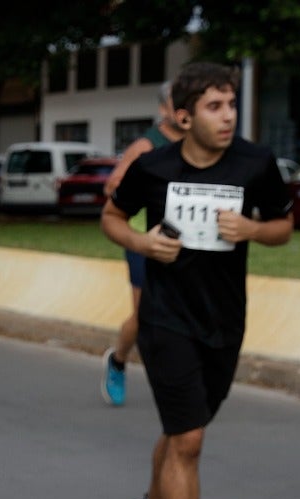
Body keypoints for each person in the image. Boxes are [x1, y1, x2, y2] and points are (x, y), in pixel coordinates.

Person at [101, 62, 294, 499]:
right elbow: (112, 217)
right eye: (215, 106)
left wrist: (254, 229)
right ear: (183, 117)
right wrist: (142, 245)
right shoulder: (154, 167)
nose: (228, 115)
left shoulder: (256, 164)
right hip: (166, 319)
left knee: (183, 428)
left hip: (225, 322)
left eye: (232, 104)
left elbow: (284, 225)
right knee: (189, 440)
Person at [101, 82, 182, 407]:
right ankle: (119, 360)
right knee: (145, 312)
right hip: (142, 239)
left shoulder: (198, 144)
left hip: (181, 241)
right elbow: (113, 186)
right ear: (164, 109)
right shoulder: (147, 146)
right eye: (179, 102)